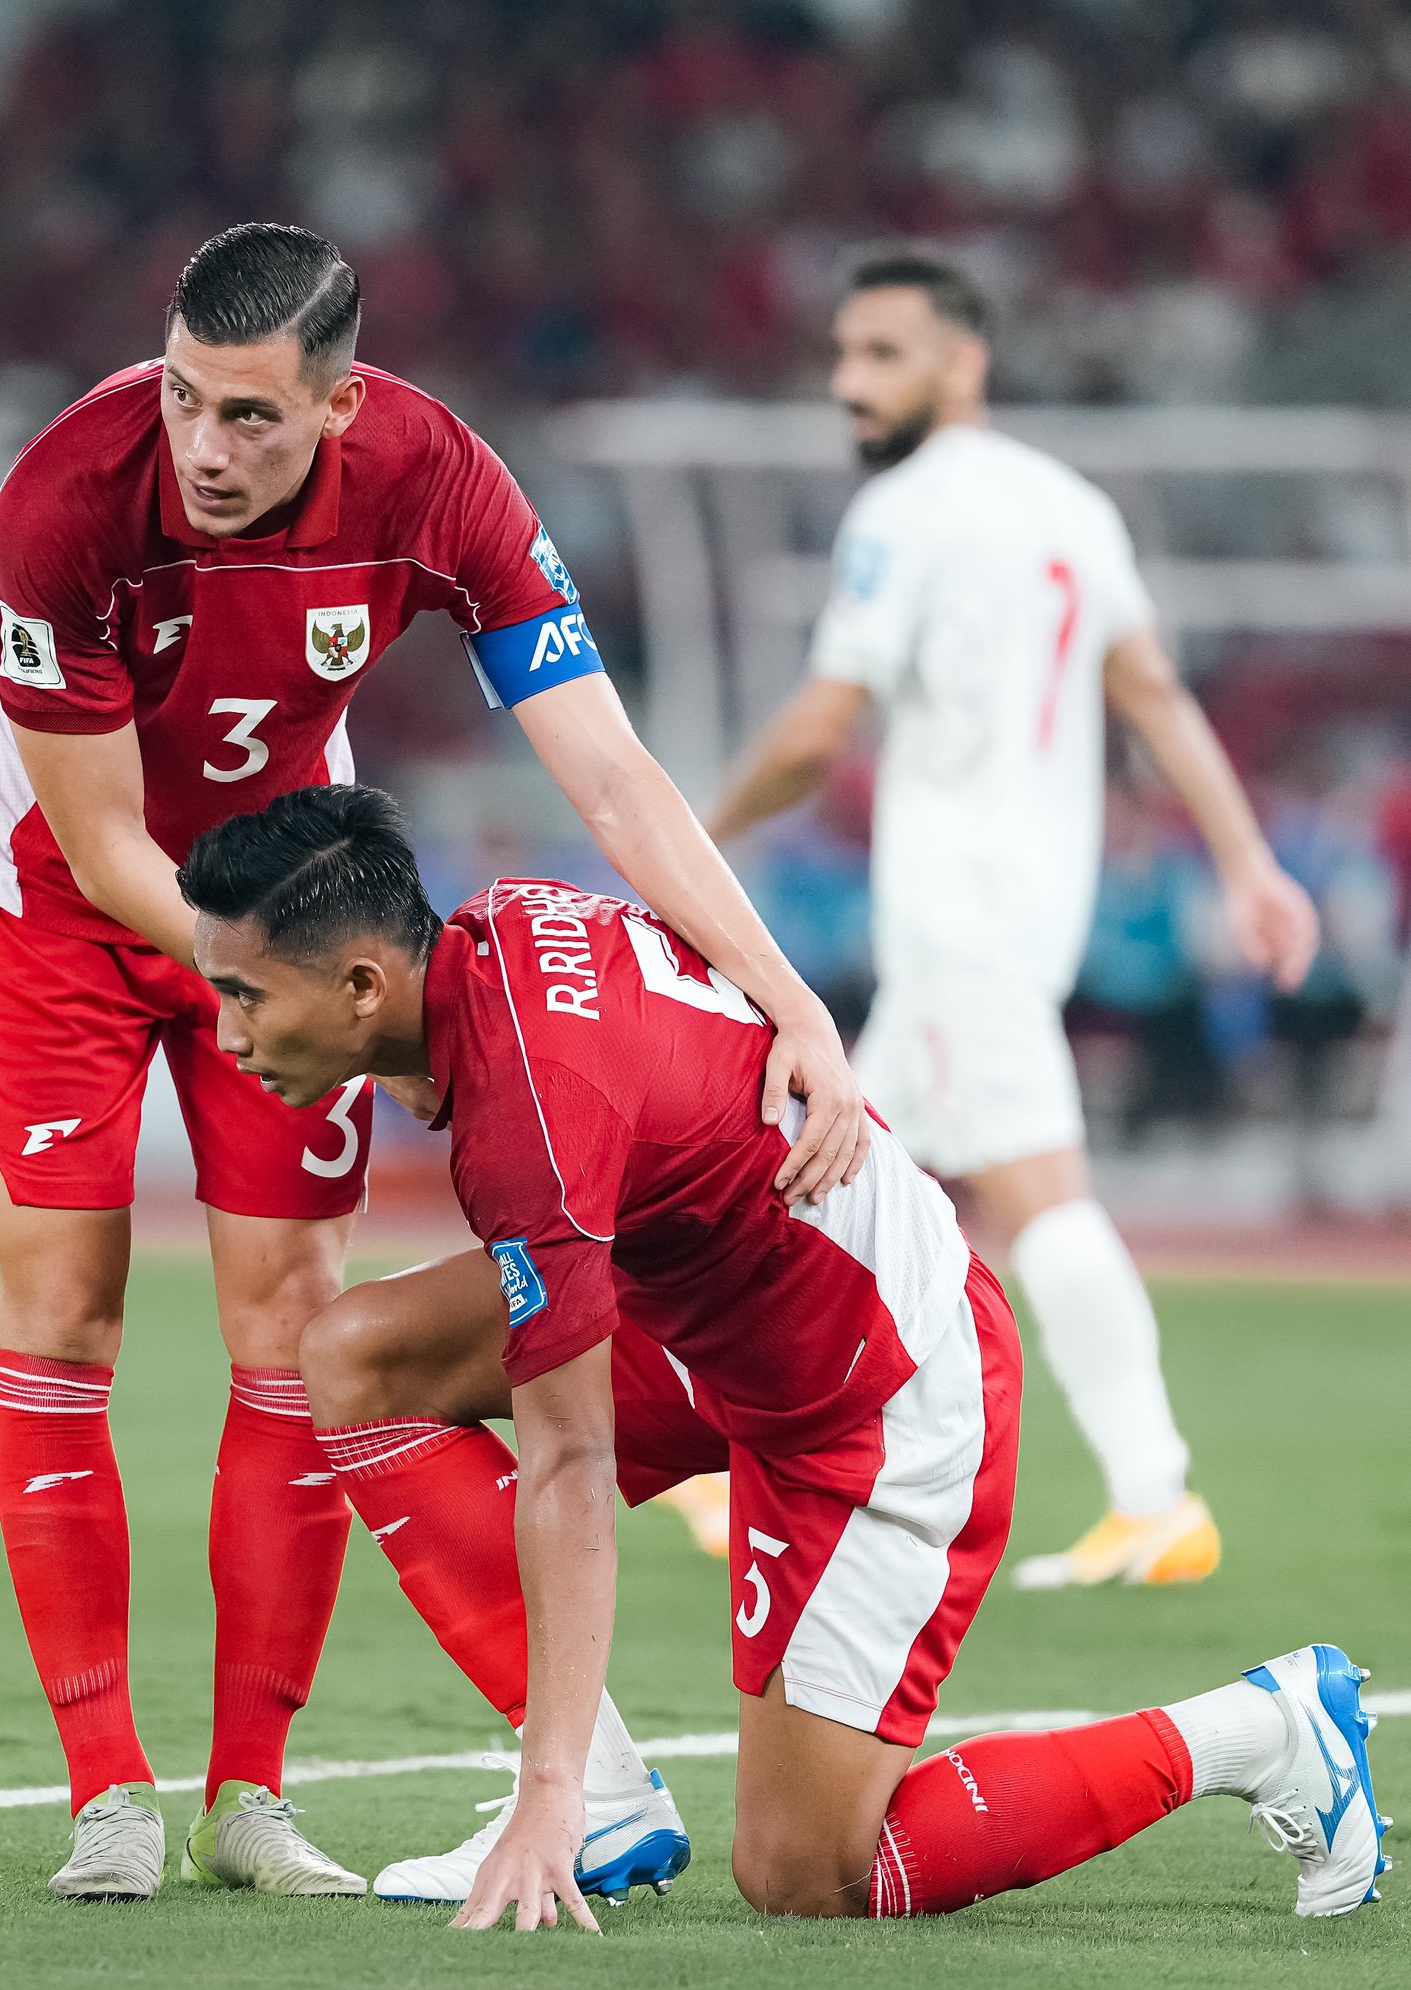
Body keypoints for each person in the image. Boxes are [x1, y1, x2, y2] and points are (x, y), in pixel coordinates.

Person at [0, 223, 866, 1900]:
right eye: (183, 397)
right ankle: (104, 1795)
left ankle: (249, 1795)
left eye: (250, 415)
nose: (203, 447)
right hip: (57, 899)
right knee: (63, 1304)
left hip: (287, 904)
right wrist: (278, 988)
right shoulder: (64, 496)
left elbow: (611, 776)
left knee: (291, 1321)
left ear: (341, 405)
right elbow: (98, 841)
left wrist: (787, 996)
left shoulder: (439, 481)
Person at [177, 783, 1388, 1931]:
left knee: (808, 1871)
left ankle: (1266, 1729)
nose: (228, 1033)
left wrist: (541, 1782)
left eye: (244, 996)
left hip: (880, 1384)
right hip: (723, 1320)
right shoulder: (496, 926)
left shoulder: (532, 1121)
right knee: (359, 1357)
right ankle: (608, 1797)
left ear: (362, 982)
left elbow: (569, 1460)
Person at [709, 251, 1322, 1588]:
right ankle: (729, 1458)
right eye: (843, 355)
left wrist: (688, 836)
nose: (849, 382)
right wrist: (1247, 863)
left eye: (881, 355)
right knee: (817, 1176)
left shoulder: (905, 512)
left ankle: (1156, 1494)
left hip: (959, 915)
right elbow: (1152, 693)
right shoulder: (1069, 505)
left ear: (963, 360)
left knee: (1032, 1194)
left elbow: (816, 731)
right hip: (1021, 909)